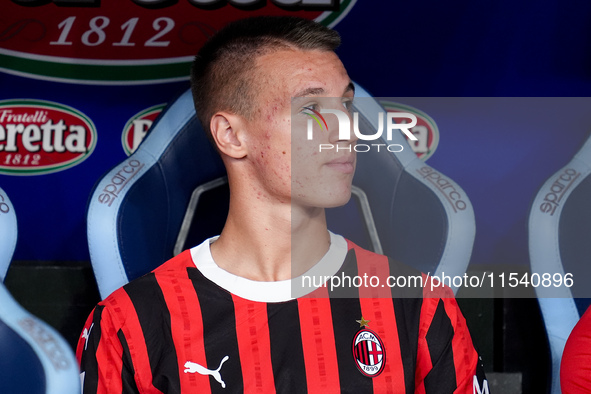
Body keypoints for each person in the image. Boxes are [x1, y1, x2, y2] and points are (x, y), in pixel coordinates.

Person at [77, 16, 488, 393]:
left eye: (345, 105)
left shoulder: (420, 307)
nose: (347, 130)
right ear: (232, 136)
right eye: (310, 109)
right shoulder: (127, 324)